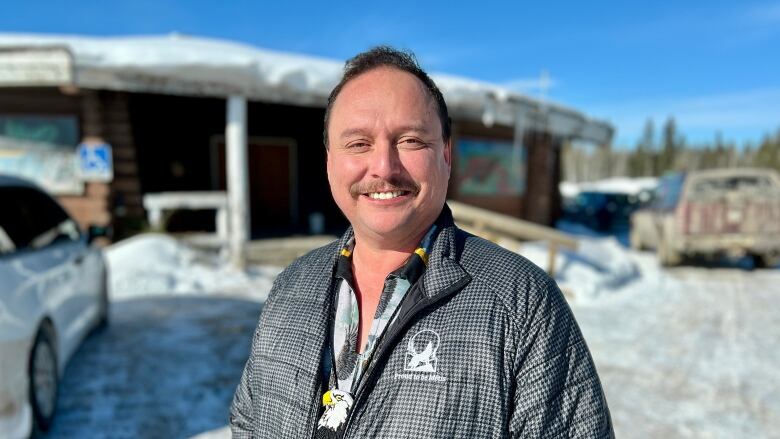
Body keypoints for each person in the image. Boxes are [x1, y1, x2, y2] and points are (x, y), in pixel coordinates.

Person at [230, 46, 613, 438]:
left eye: (410, 140)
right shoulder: (292, 285)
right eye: (358, 143)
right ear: (330, 161)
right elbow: (247, 420)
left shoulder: (521, 304)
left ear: (445, 155)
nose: (383, 167)